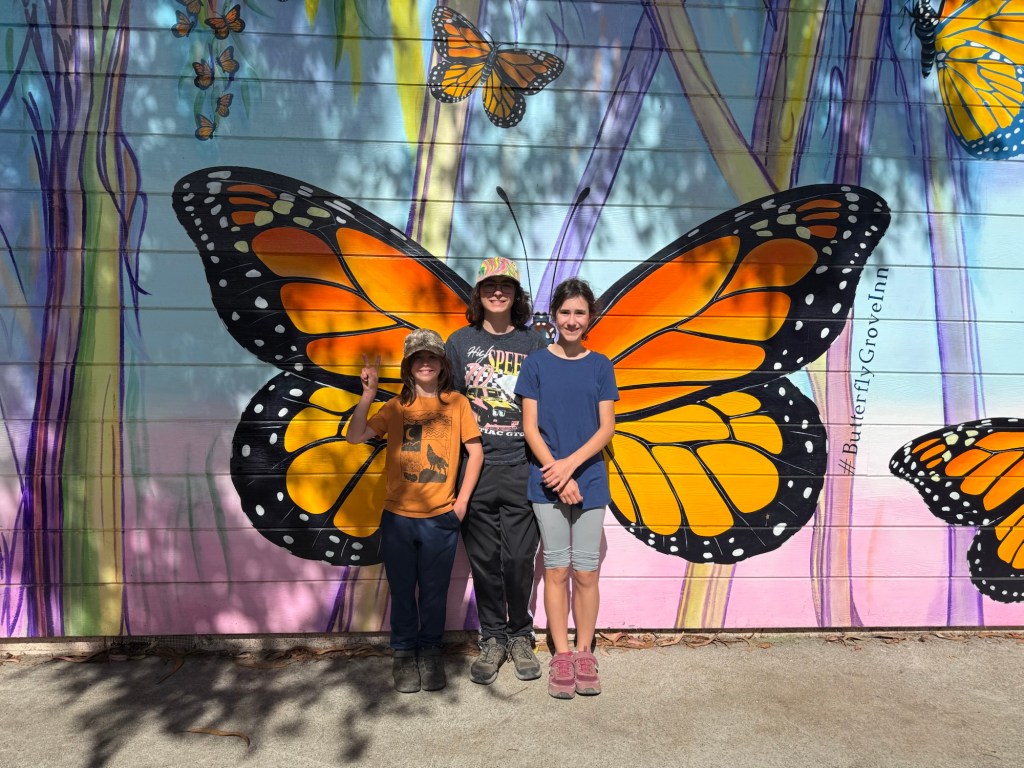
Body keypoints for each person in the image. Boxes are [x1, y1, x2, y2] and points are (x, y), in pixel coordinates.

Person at [347, 328, 483, 693]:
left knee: (435, 592)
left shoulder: (457, 404)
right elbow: (355, 436)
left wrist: (461, 503)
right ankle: (404, 653)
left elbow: (476, 453)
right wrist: (368, 395)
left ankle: (431, 652)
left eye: (431, 357)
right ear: (408, 366)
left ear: (442, 364)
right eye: (418, 358)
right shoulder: (395, 407)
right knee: (403, 590)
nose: (425, 363)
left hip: (441, 518)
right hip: (399, 518)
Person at [514, 277, 618, 699]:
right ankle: (561, 654)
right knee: (556, 569)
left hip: (589, 480)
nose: (572, 320)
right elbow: (530, 428)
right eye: (565, 312)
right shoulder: (536, 364)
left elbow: (606, 428)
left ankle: (584, 651)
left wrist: (570, 468)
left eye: (580, 312)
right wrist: (556, 474)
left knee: (586, 571)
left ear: (590, 317)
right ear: (553, 315)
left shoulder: (601, 365)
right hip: (547, 481)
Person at [445, 257, 547, 684]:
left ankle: (521, 634)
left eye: (506, 285)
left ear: (516, 294)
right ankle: (493, 637)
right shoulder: (460, 342)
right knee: (484, 560)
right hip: (475, 469)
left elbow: (547, 405)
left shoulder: (534, 343)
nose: (498, 292)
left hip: (521, 465)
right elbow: (448, 406)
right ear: (479, 293)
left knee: (519, 558)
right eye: (490, 285)